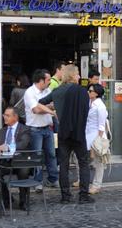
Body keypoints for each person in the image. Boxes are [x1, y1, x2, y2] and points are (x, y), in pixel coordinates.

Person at [39, 65, 93, 204]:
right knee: (83, 163)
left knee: (63, 165)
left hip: (63, 131)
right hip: (78, 132)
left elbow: (41, 102)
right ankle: (83, 195)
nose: (79, 77)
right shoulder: (81, 91)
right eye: (77, 74)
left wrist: (54, 109)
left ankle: (65, 196)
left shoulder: (57, 91)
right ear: (72, 75)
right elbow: (85, 112)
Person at [24, 69, 58, 192]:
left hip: (47, 127)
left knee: (51, 154)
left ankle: (53, 179)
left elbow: (53, 104)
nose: (50, 82)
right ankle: (37, 182)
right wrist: (50, 110)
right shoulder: (30, 92)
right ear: (41, 81)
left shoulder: (47, 90)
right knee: (37, 156)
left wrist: (44, 106)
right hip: (35, 129)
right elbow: (36, 110)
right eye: (48, 80)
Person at [0, 107, 31, 210]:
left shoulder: (24, 129)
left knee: (24, 172)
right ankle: (6, 198)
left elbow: (23, 144)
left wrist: (8, 147)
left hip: (21, 161)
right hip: (6, 162)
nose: (4, 117)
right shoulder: (2, 131)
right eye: (4, 115)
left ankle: (23, 201)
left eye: (7, 115)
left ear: (15, 117)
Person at [86, 83, 108, 195]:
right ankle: (83, 181)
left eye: (90, 91)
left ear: (96, 93)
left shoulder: (100, 106)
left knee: (98, 162)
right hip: (88, 135)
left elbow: (101, 125)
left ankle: (96, 185)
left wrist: (98, 141)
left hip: (96, 136)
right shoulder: (90, 103)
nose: (88, 92)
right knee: (86, 160)